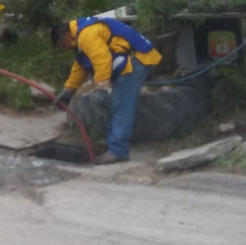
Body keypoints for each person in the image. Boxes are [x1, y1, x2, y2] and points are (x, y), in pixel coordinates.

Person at [50, 16, 162, 164]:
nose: (65, 48)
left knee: (121, 106)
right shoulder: (81, 36)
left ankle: (118, 151)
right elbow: (81, 66)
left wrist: (101, 86)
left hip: (136, 60)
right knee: (114, 104)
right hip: (128, 61)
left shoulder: (86, 34)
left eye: (63, 45)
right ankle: (113, 143)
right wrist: (69, 90)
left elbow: (102, 60)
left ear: (67, 35)